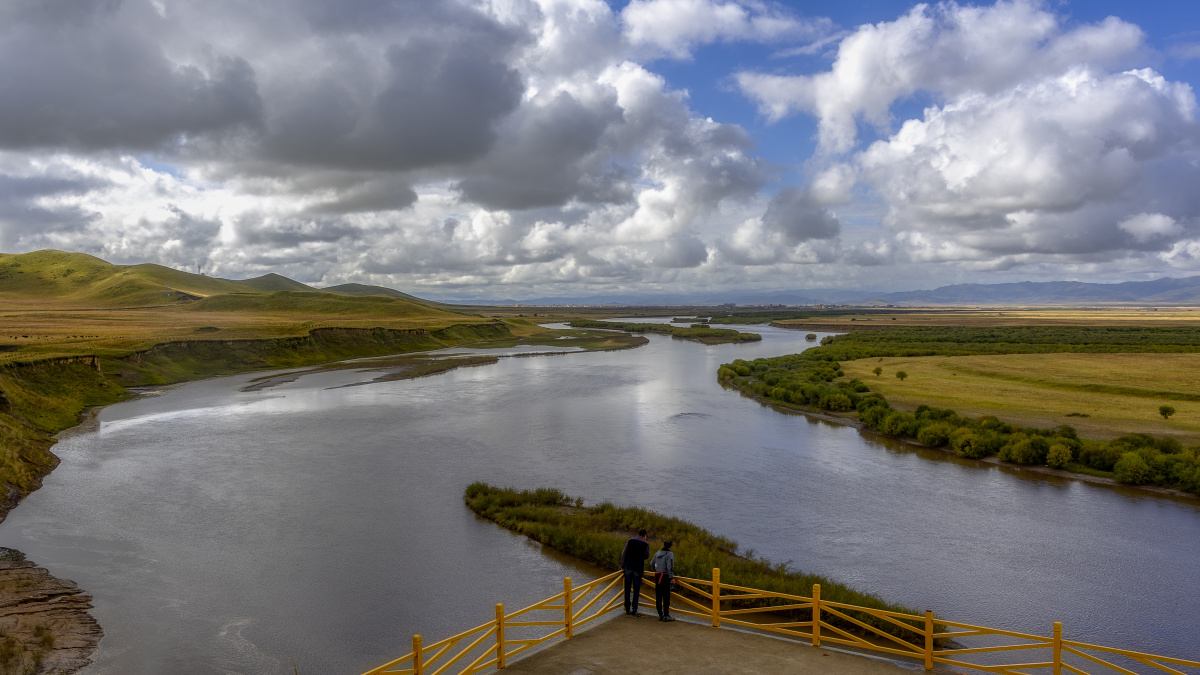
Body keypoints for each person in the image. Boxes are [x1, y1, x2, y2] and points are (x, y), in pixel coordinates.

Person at [620, 529, 650, 616]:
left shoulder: (630, 541)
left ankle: (627, 609)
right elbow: (647, 555)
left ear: (637, 534)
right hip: (638, 568)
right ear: (644, 536)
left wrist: (623, 564)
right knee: (636, 589)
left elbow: (624, 553)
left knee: (627, 588)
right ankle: (634, 609)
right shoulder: (645, 544)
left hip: (628, 566)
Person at [650, 540, 675, 621]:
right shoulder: (670, 554)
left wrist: (657, 569)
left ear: (663, 545)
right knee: (666, 597)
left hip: (657, 575)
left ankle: (660, 614)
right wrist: (672, 578)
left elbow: (651, 563)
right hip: (665, 576)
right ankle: (666, 615)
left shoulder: (657, 553)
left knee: (658, 596)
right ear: (670, 547)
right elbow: (669, 567)